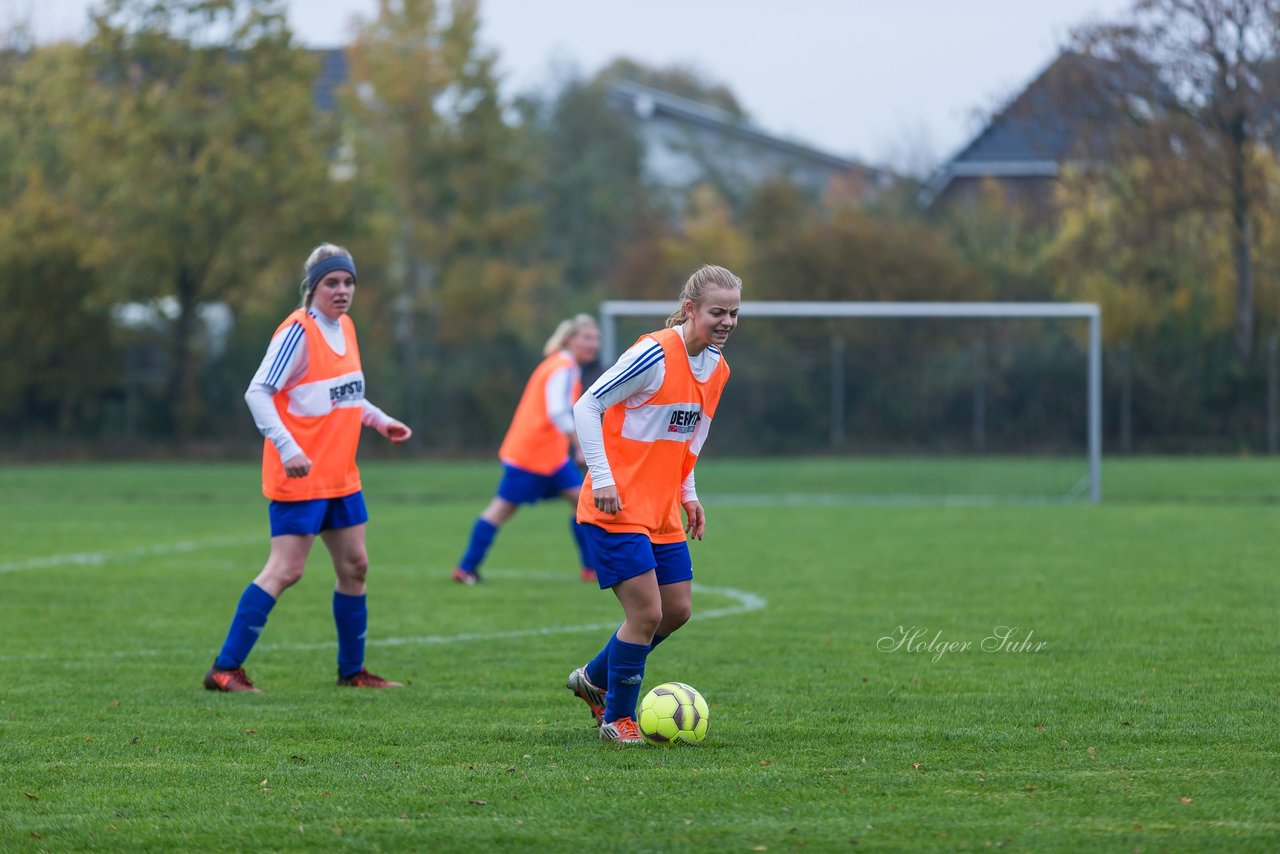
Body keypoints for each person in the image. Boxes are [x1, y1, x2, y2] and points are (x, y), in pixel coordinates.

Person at [203, 243, 412, 693]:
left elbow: (344, 394)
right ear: (313, 287)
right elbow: (257, 392)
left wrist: (379, 420)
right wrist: (287, 445)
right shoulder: (298, 332)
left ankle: (352, 673)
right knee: (285, 570)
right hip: (300, 476)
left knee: (355, 566)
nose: (341, 291)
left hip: (340, 476)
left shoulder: (347, 328)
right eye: (331, 282)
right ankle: (224, 669)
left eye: (348, 282)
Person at [564, 265, 740, 744]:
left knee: (676, 611)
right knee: (644, 615)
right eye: (717, 312)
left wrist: (689, 494)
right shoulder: (654, 353)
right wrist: (601, 477)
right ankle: (617, 720)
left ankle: (594, 678)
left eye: (734, 313)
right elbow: (587, 406)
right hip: (616, 506)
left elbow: (688, 440)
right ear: (691, 309)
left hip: (660, 509)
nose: (726, 322)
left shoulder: (718, 369)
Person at [451, 315, 601, 585]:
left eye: (597, 338)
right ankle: (466, 568)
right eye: (587, 337)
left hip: (551, 457)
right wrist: (580, 446)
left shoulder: (565, 366)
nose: (594, 344)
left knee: (582, 502)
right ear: (570, 339)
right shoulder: (563, 367)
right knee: (500, 511)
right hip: (531, 456)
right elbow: (558, 412)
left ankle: (591, 568)